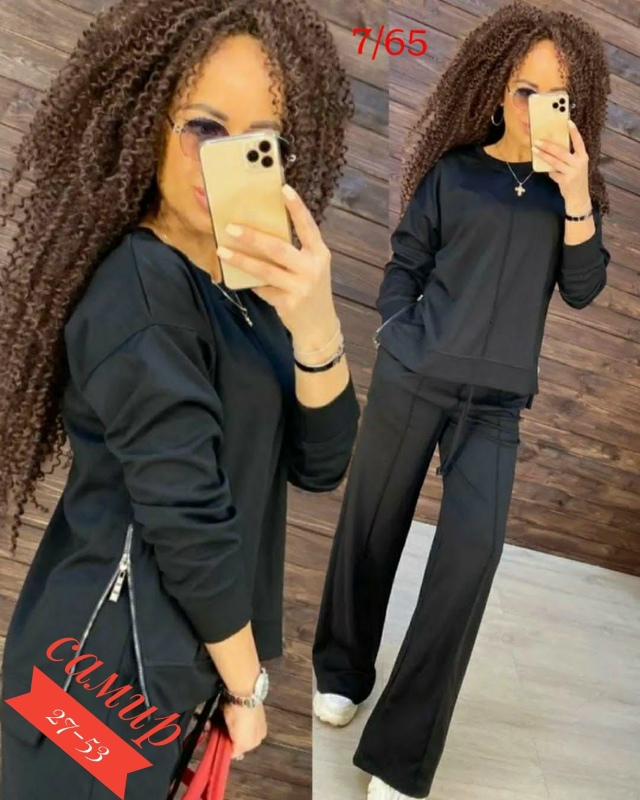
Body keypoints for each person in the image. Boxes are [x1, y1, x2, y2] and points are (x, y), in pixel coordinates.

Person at [0, 0, 360, 797]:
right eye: (204, 126)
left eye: (260, 140)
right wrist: (247, 688)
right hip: (92, 682)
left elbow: (321, 462)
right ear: (146, 119)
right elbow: (188, 517)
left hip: (168, 668)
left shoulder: (248, 295)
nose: (224, 158)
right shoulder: (141, 290)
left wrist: (316, 324)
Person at [312, 3, 611, 799]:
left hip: (497, 405)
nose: (536, 107)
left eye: (555, 95)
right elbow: (406, 262)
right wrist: (397, 332)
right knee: (371, 524)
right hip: (415, 373)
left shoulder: (570, 196)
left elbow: (584, 289)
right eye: (524, 90)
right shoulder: (455, 173)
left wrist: (575, 192)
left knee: (469, 558)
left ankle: (400, 755)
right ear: (496, 88)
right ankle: (342, 669)